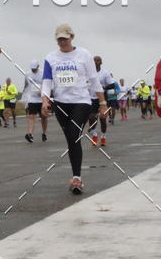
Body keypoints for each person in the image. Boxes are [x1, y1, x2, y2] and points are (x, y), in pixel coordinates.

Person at [41, 23, 107, 194]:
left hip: (81, 102)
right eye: (59, 39)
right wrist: (44, 101)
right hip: (61, 103)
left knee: (74, 134)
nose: (62, 42)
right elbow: (47, 82)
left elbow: (93, 79)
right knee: (72, 140)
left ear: (72, 37)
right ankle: (76, 176)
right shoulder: (50, 58)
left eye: (65, 38)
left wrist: (102, 103)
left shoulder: (84, 55)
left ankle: (77, 178)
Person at [22, 60, 47, 143]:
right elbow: (25, 87)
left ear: (38, 66)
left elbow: (47, 85)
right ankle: (30, 134)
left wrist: (43, 92)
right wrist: (25, 100)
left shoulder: (43, 73)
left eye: (35, 69)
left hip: (41, 99)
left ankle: (44, 133)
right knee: (31, 116)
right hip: (32, 99)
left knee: (43, 117)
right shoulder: (27, 74)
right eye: (32, 69)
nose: (33, 70)